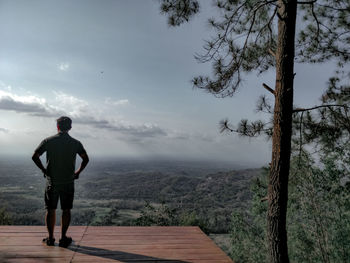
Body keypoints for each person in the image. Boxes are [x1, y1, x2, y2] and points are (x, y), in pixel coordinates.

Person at [32, 116, 89, 247]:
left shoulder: (48, 141)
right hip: (68, 182)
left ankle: (51, 238)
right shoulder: (76, 143)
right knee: (66, 210)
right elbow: (86, 159)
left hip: (52, 181)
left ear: (57, 127)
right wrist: (77, 173)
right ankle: (63, 238)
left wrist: (44, 170)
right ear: (70, 127)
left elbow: (35, 156)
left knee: (50, 209)